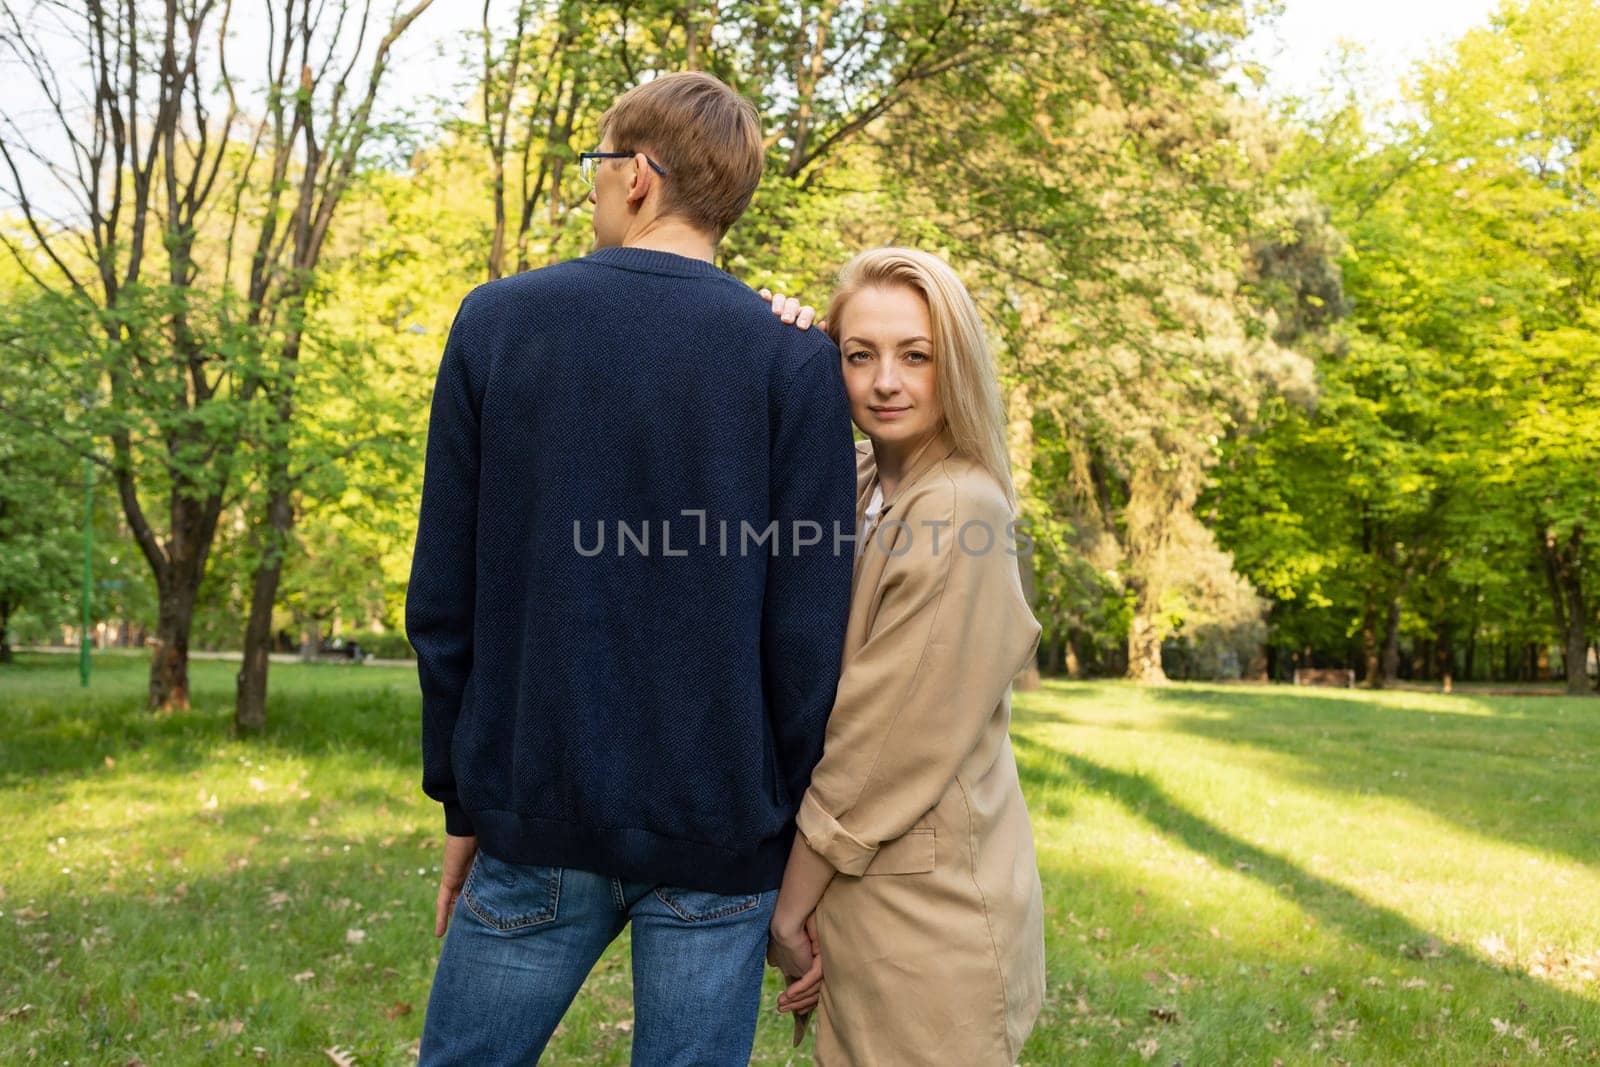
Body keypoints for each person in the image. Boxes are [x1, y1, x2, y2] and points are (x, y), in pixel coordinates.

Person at [404, 71, 858, 1065]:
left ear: (641, 177)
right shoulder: (792, 362)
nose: (594, 188)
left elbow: (445, 599)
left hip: (534, 807)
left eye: (599, 166)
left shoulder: (495, 322)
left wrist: (463, 800)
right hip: (719, 827)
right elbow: (807, 633)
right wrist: (768, 815)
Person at [760, 249, 1047, 1064]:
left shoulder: (956, 506)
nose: (886, 380)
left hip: (930, 910)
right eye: (859, 355)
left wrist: (789, 910)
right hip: (869, 894)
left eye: (915, 355)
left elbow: (877, 744)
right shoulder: (863, 482)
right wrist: (770, 339)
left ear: (950, 362)